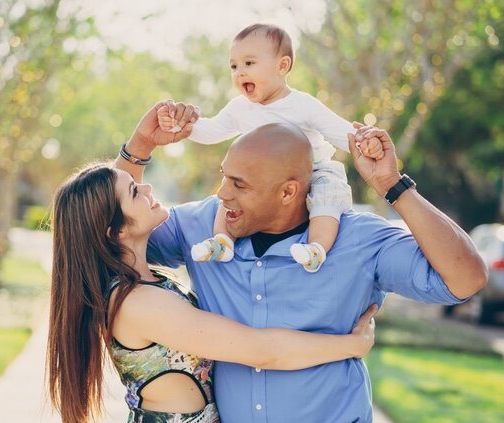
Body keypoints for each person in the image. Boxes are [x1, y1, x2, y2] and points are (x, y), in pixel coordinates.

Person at [118, 101, 488, 423]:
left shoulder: (359, 239)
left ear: (289, 191)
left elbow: (465, 280)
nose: (223, 193)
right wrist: (140, 146)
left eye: (240, 184)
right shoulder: (199, 226)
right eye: (224, 177)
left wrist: (393, 185)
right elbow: (111, 233)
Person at [45, 160, 378, 423]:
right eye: (134, 192)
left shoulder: (143, 283)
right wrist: (351, 345)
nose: (146, 186)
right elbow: (260, 350)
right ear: (115, 231)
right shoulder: (137, 303)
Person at [157, 23, 384, 273]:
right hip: (259, 181)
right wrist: (182, 126)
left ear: (282, 66)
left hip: (313, 170)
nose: (240, 72)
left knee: (327, 197)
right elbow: (212, 131)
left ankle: (316, 248)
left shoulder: (302, 105)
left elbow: (339, 130)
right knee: (230, 193)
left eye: (249, 63)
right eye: (234, 66)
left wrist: (366, 143)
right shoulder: (239, 108)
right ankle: (223, 241)